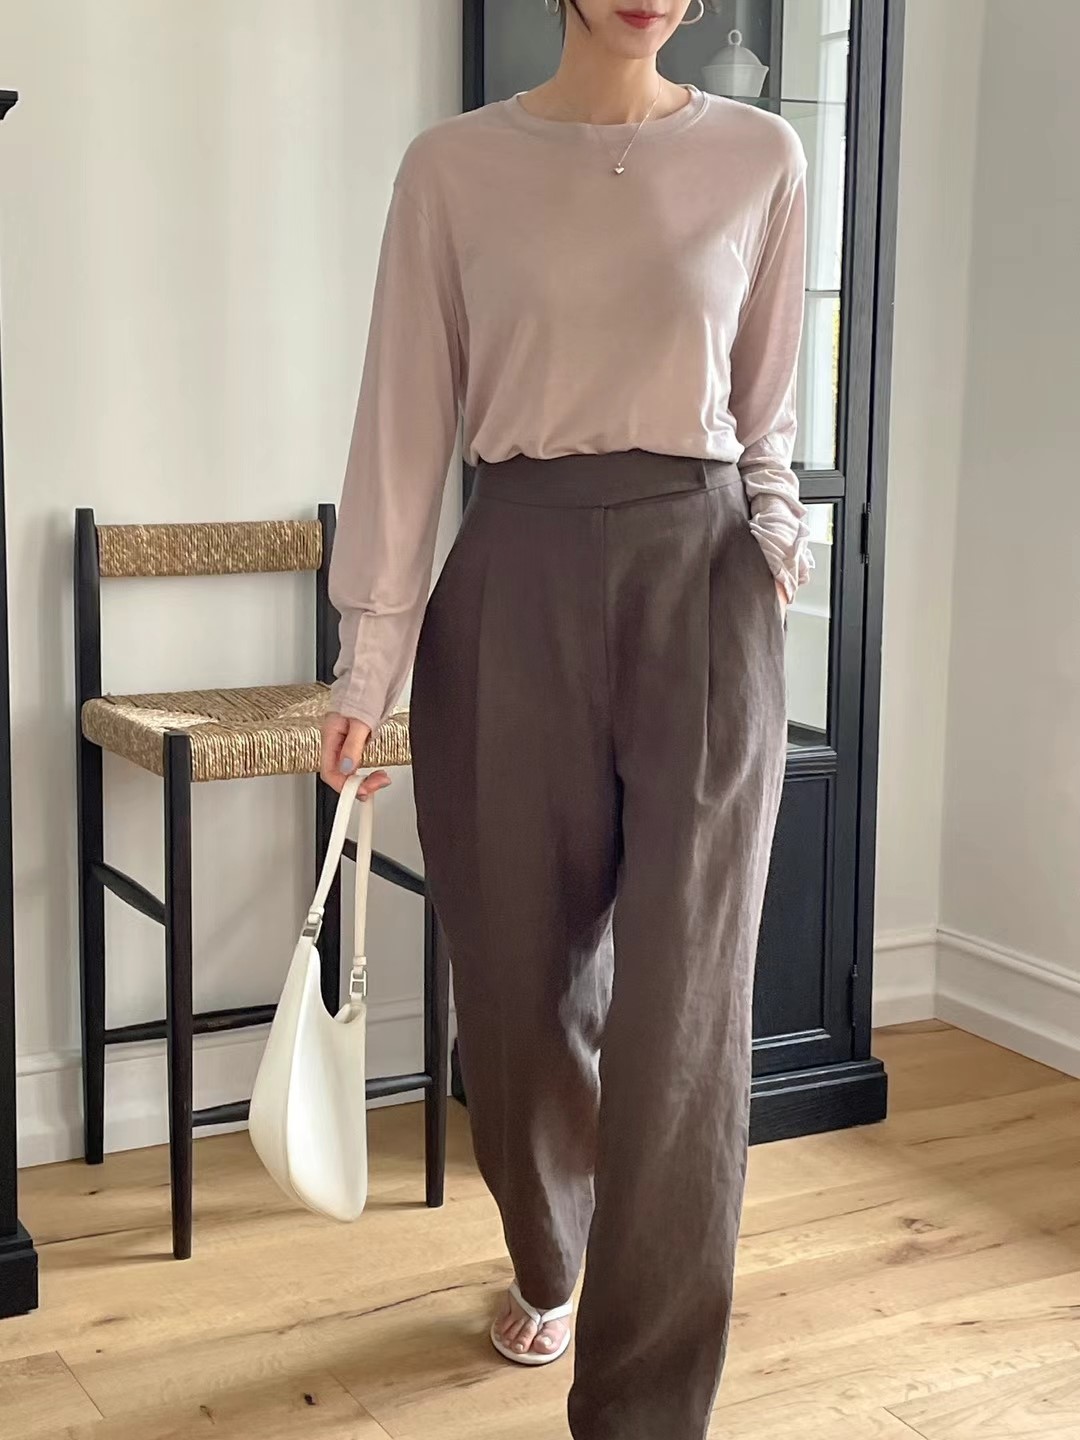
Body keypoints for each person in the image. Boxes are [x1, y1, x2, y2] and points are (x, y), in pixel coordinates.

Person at [320, 1, 811, 1435]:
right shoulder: (453, 168)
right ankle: (549, 1251)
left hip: (702, 583)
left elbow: (769, 401)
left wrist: (775, 541)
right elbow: (405, 420)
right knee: (517, 986)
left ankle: (644, 1407)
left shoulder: (763, 157)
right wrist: (369, 665)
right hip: (514, 570)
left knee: (687, 1019)